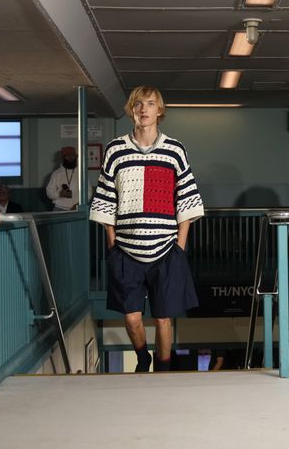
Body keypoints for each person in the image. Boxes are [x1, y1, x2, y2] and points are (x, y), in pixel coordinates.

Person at [89, 85, 204, 371]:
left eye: (150, 104)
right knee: (131, 318)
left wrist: (180, 246)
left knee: (164, 318)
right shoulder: (115, 150)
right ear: (131, 109)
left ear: (159, 110)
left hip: (166, 250)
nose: (144, 109)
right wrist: (112, 244)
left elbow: (187, 200)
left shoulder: (175, 150)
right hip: (125, 252)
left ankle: (163, 370)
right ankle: (143, 357)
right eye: (138, 104)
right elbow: (106, 200)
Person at [46, 146, 79, 211]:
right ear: (63, 158)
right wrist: (60, 194)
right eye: (68, 156)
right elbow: (49, 192)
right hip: (60, 208)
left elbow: (89, 192)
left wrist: (78, 204)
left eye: (73, 156)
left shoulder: (81, 173)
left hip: (77, 208)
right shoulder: (56, 174)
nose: (71, 158)